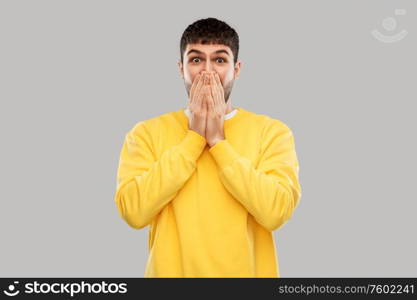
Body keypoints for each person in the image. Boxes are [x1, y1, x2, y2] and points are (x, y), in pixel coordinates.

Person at [114, 17, 302, 278]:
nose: (207, 71)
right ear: (181, 68)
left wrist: (218, 142)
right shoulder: (145, 133)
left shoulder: (273, 132)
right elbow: (134, 213)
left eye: (220, 60)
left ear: (236, 69)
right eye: (196, 59)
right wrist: (193, 139)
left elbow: (275, 213)